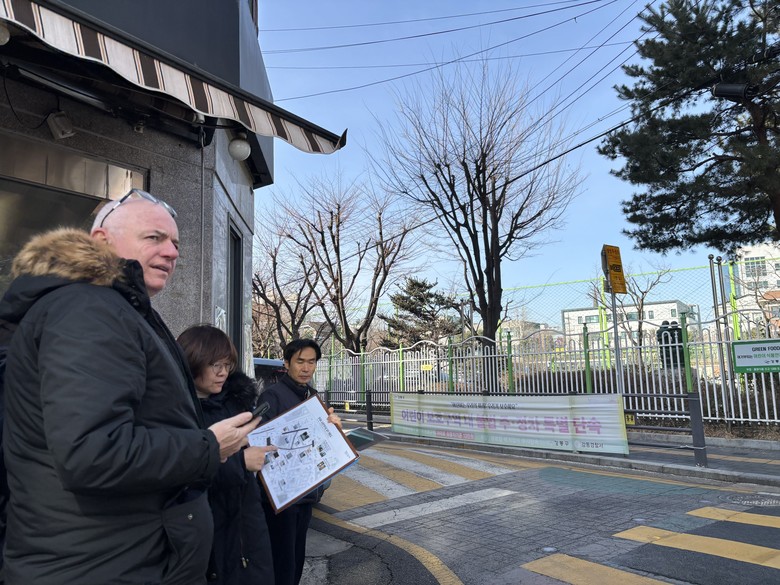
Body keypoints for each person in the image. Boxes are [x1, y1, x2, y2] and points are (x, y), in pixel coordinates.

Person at [0, 189, 259, 585]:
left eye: (175, 243)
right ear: (101, 241)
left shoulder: (111, 308)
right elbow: (92, 454)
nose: (171, 252)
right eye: (154, 237)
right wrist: (208, 446)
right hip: (97, 565)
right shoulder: (88, 309)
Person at [177, 324, 276, 585]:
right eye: (215, 365)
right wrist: (241, 463)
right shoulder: (176, 412)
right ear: (191, 362)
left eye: (227, 364)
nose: (223, 372)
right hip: (206, 531)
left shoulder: (238, 404)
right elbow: (179, 474)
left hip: (248, 525)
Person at [260, 338, 341, 585]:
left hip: (306, 494)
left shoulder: (312, 397)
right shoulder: (272, 396)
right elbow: (261, 443)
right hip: (280, 498)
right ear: (286, 363)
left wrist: (333, 431)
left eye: (311, 362)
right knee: (281, 563)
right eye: (300, 362)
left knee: (296, 560)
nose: (306, 368)